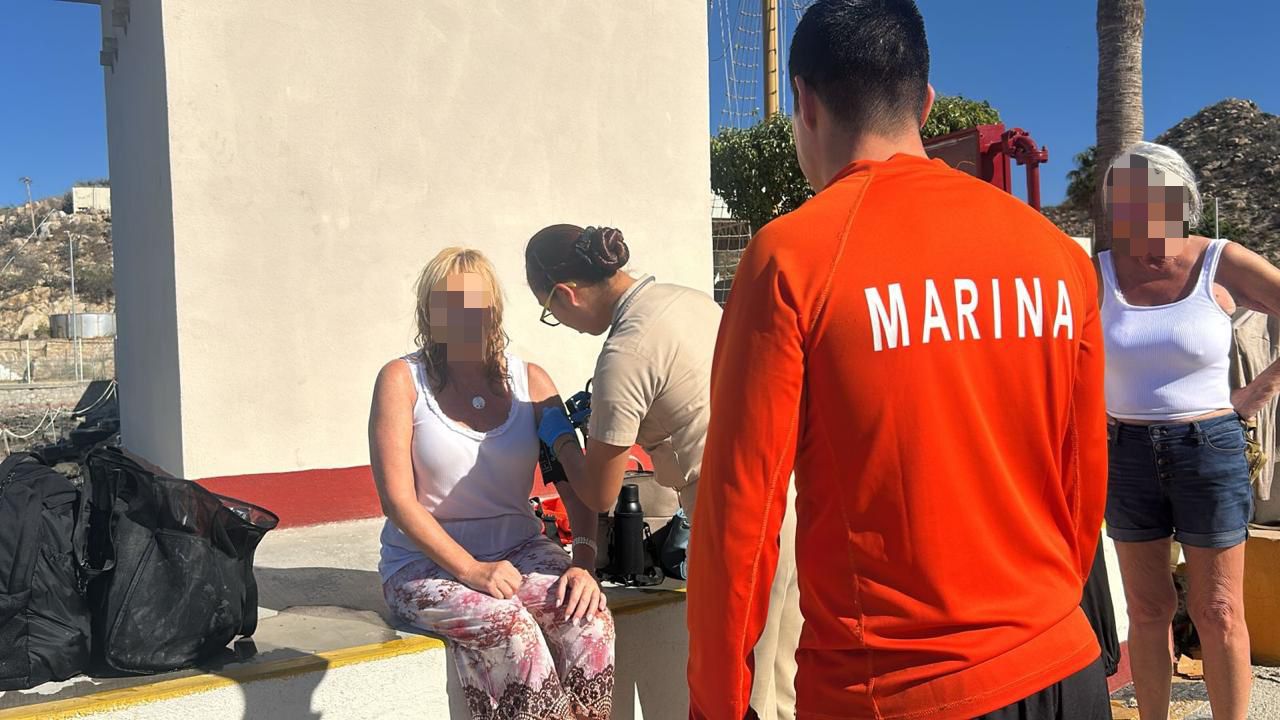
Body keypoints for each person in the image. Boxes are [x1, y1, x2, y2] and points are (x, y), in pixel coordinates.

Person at [686, 1, 1110, 718]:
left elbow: (741, 520)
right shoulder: (1054, 258)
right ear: (926, 103)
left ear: (803, 102)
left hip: (897, 691)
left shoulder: (792, 259)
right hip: (1063, 666)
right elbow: (1083, 476)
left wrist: (716, 704)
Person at [524, 224, 803, 719]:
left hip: (729, 513)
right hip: (784, 495)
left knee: (736, 691)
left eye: (550, 313)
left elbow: (599, 493)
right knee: (782, 678)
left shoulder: (625, 352)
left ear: (565, 293)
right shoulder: (690, 301)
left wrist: (561, 436)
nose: (559, 322)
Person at [370, 247, 614, 720]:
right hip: (422, 562)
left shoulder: (532, 383)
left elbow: (572, 481)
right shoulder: (402, 380)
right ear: (429, 313)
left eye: (476, 305)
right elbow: (397, 501)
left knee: (589, 621)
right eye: (449, 305)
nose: (465, 317)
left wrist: (583, 561)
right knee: (509, 629)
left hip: (519, 548)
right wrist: (471, 570)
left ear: (494, 310)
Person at [1099, 141, 1280, 720]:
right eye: (1120, 200)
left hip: (1210, 449)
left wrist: (1257, 393)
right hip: (1124, 452)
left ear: (1180, 199)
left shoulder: (1218, 260)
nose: (1132, 211)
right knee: (1147, 610)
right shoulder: (1093, 272)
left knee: (1220, 612)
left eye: (1146, 197)